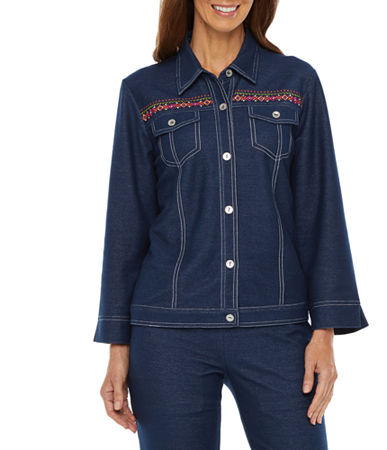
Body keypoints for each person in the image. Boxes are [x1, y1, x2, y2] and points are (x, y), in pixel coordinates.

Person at [93, 1, 369, 448]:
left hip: (276, 328)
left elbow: (320, 211)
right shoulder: (144, 92)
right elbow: (127, 224)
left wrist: (326, 331)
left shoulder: (295, 83)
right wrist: (117, 346)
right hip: (167, 335)